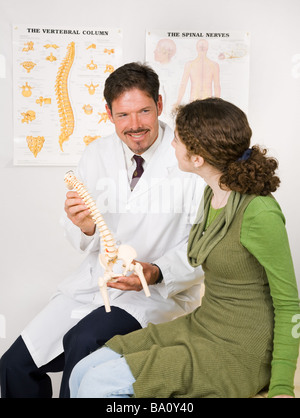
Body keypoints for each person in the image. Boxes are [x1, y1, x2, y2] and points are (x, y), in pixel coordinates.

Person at [69, 98, 300, 399]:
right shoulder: (212, 195)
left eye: (176, 140)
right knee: (83, 370)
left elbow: (289, 303)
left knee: (98, 384)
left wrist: (281, 386)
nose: (171, 145)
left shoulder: (260, 213)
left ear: (198, 159)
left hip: (239, 352)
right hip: (203, 327)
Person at [0, 63, 204, 398]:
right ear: (108, 113)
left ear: (160, 105)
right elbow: (78, 230)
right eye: (123, 115)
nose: (135, 125)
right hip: (96, 284)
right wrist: (86, 226)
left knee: (82, 342)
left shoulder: (187, 158)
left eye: (144, 111)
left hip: (155, 295)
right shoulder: (98, 153)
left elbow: (203, 245)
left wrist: (155, 272)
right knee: (14, 365)